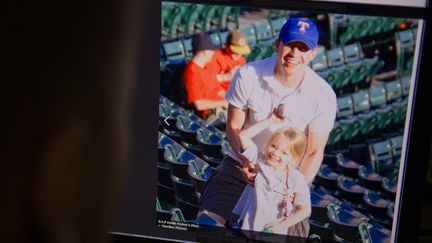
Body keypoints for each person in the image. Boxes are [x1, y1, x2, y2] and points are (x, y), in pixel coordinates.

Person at [197, 17, 337, 228]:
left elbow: (314, 152)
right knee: (207, 225)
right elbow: (234, 127)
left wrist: (293, 188)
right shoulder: (248, 75)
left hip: (286, 177)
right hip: (241, 165)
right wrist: (246, 163)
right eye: (290, 45)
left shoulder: (323, 94)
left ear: (313, 53)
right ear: (278, 44)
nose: (294, 54)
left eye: (303, 48)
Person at [232, 112, 311, 236]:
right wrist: (269, 121)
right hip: (247, 226)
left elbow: (305, 209)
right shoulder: (259, 160)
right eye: (273, 146)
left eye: (284, 153)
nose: (275, 153)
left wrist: (281, 225)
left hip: (271, 232)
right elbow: (243, 136)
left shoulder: (295, 178)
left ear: (294, 158)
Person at [182, 32, 228, 122]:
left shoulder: (206, 67)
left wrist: (232, 100)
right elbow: (199, 105)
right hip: (208, 117)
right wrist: (223, 103)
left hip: (220, 110)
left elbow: (219, 90)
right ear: (205, 51)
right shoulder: (192, 73)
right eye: (211, 50)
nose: (213, 53)